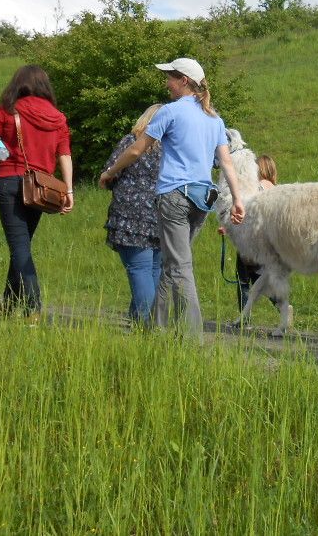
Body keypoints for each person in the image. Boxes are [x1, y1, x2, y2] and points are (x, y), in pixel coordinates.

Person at [99, 57, 245, 338]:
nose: (167, 83)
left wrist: (110, 172)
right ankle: (156, 330)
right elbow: (226, 163)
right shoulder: (214, 118)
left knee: (180, 266)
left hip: (175, 197)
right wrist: (237, 199)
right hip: (204, 199)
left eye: (170, 77)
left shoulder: (170, 112)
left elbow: (135, 151)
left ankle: (193, 339)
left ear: (184, 81)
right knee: (171, 263)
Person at [0, 64, 74, 319]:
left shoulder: (4, 112)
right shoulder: (58, 118)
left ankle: (34, 309)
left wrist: (0, 149)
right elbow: (64, 154)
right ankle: (7, 307)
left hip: (10, 182)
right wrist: (69, 190)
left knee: (19, 248)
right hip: (40, 189)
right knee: (22, 246)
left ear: (17, 84)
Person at [103, 104, 164, 325]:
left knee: (139, 269)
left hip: (130, 216)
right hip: (162, 215)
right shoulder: (170, 148)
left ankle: (143, 324)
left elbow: (111, 172)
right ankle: (146, 320)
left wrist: (107, 176)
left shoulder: (131, 142)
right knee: (154, 270)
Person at [218, 153, 287, 317]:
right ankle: (281, 304)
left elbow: (246, 212)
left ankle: (244, 319)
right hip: (269, 241)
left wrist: (228, 228)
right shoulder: (276, 189)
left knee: (243, 279)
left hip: (249, 239)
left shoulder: (255, 188)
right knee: (259, 276)